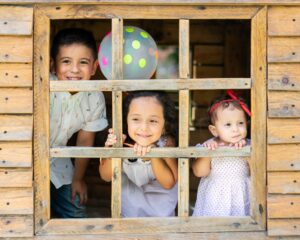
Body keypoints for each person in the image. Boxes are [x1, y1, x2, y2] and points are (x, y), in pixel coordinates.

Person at [50, 28, 108, 218]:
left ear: (94, 67)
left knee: (75, 212)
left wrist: (78, 179)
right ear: (53, 65)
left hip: (59, 160)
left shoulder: (95, 97)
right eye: (66, 61)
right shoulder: (43, 85)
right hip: (27, 160)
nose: (74, 69)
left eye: (83, 62)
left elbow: (84, 141)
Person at [99, 91, 178, 217]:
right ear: (126, 120)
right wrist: (114, 151)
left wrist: (152, 155)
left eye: (153, 121)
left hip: (161, 217)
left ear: (165, 125)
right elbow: (106, 176)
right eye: (136, 119)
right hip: (128, 215)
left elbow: (168, 183)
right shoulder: (121, 140)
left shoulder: (166, 142)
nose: (144, 127)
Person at [192, 90, 251, 217]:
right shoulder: (209, 145)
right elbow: (199, 172)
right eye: (228, 124)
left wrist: (246, 153)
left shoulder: (249, 145)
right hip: (215, 199)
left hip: (241, 196)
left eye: (240, 123)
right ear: (214, 130)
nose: (235, 129)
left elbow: (258, 172)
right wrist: (208, 153)